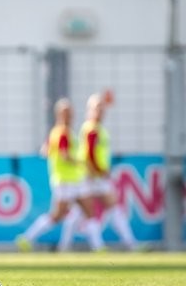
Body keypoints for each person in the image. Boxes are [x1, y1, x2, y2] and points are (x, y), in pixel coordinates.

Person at [15, 98, 104, 252]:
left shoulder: (57, 132)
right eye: (66, 113)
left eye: (70, 113)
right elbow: (64, 155)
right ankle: (27, 238)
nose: (69, 116)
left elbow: (45, 151)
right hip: (66, 180)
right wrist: (81, 162)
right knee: (58, 215)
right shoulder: (63, 132)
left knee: (86, 211)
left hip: (70, 179)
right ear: (59, 115)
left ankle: (94, 247)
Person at [59, 91, 139, 251]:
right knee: (108, 207)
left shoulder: (94, 128)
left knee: (81, 211)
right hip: (93, 175)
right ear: (90, 109)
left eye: (102, 107)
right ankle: (128, 244)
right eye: (97, 107)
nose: (100, 111)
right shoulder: (92, 129)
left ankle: (66, 245)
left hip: (92, 174)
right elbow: (89, 154)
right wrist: (99, 170)